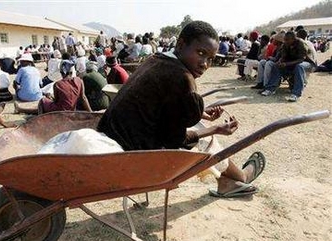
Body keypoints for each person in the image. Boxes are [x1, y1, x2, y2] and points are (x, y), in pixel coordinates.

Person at [98, 21, 266, 197]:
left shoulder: (157, 59)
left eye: (210, 58)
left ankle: (225, 181)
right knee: (206, 140)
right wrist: (216, 129)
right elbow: (176, 140)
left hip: (115, 137)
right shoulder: (182, 78)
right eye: (201, 53)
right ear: (181, 45)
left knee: (200, 126)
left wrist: (200, 113)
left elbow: (159, 105)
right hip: (134, 152)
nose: (205, 64)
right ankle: (240, 177)